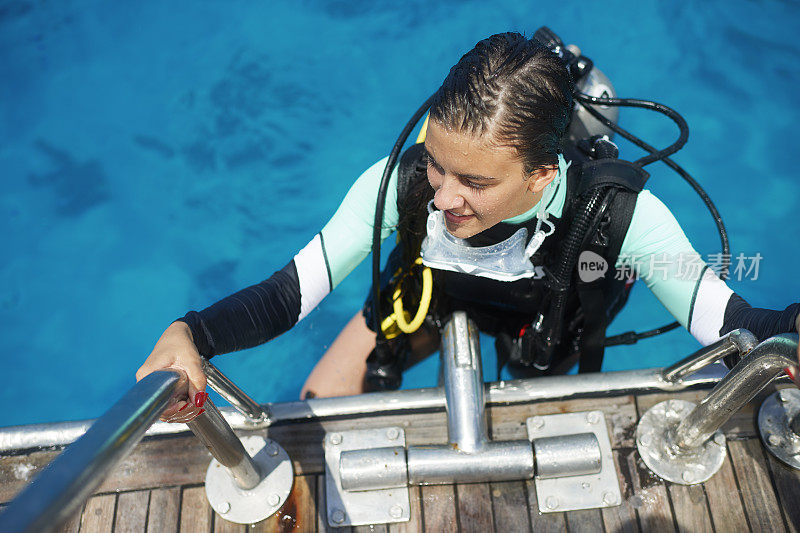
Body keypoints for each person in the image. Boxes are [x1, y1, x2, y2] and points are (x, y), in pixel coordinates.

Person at [136, 32, 800, 423]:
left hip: (546, 327)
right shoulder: (399, 184)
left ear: (541, 175)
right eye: (438, 163)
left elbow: (728, 319)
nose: (444, 197)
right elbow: (289, 293)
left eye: (475, 182)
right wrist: (191, 331)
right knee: (317, 404)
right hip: (423, 301)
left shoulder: (618, 217)